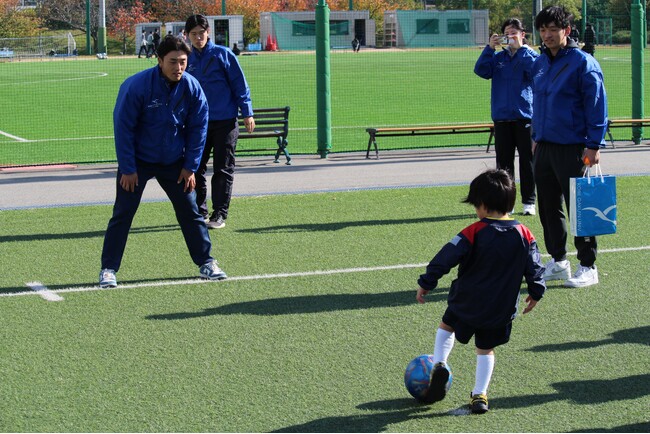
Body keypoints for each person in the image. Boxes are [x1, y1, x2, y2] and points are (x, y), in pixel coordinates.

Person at [99, 35, 227, 289]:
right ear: (159, 60)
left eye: (183, 62)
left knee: (191, 212)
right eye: (172, 61)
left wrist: (190, 167)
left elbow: (198, 128)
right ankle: (108, 269)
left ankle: (206, 262)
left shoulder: (192, 88)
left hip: (174, 162)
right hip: (138, 162)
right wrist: (128, 168)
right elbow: (123, 128)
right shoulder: (136, 86)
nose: (178, 67)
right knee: (123, 214)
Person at [416, 169, 546, 414]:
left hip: (466, 301)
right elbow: (535, 266)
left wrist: (427, 281)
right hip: (500, 308)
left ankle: (439, 364)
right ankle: (480, 395)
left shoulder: (474, 231)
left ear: (483, 205)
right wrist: (536, 291)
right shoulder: (525, 234)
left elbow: (446, 257)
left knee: (447, 326)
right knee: (485, 349)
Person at [531, 5, 608, 288]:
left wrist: (594, 145)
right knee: (548, 207)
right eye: (543, 30)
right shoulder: (540, 63)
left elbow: (597, 106)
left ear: (566, 30)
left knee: (581, 208)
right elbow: (537, 103)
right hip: (544, 146)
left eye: (553, 29)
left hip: (574, 147)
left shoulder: (583, 63)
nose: (547, 35)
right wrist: (535, 137)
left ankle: (588, 266)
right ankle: (559, 261)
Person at [185, 14, 255, 229]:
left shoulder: (223, 54)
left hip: (225, 121)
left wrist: (247, 112)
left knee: (222, 169)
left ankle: (220, 214)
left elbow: (240, 84)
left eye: (201, 33)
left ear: (209, 32)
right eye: (194, 34)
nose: (198, 38)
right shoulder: (186, 58)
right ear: (187, 35)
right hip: (198, 124)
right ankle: (200, 211)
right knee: (195, 168)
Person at [474, 18, 538, 216]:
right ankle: (506, 203)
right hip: (502, 118)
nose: (510, 37)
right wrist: (489, 48)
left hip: (524, 117)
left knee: (527, 162)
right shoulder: (498, 58)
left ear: (522, 35)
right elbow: (481, 70)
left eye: (513, 33)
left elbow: (536, 72)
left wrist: (521, 49)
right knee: (503, 165)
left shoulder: (530, 55)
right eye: (506, 33)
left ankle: (529, 202)